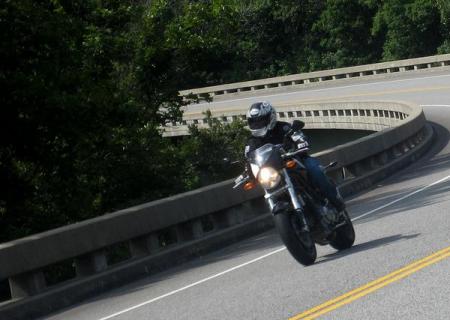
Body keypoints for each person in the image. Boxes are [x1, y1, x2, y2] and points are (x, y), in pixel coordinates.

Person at [244, 101, 345, 213]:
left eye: (261, 121)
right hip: (274, 170)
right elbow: (249, 157)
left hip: (296, 160)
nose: (258, 125)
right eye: (254, 122)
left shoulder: (284, 128)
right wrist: (248, 170)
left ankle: (335, 201)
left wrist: (301, 142)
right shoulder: (252, 142)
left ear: (270, 117)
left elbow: (298, 136)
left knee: (315, 170)